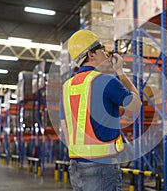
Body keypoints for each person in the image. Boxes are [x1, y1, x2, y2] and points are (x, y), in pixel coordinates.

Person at [60, 29, 142, 191]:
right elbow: (136, 104)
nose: (106, 54)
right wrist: (120, 72)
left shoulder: (67, 87)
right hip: (102, 166)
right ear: (91, 54)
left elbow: (64, 125)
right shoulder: (105, 81)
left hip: (76, 164)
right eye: (102, 50)